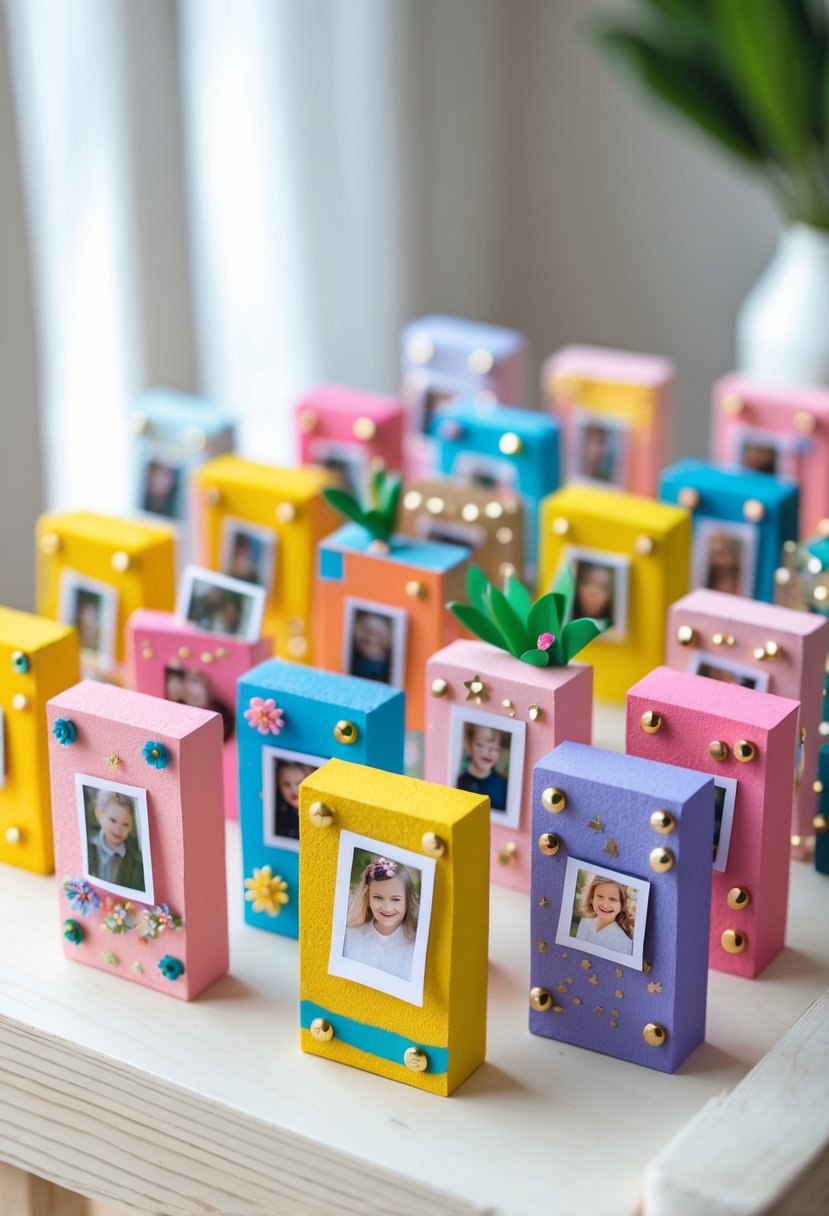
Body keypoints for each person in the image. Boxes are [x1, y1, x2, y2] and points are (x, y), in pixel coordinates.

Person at [343, 856, 419, 981]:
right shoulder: (350, 935)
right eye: (378, 897)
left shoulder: (415, 946)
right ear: (367, 897)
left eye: (395, 899)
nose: (387, 908)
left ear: (407, 901)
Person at [87, 789, 145, 892]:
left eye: (125, 824)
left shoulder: (136, 861)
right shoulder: (89, 845)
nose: (118, 830)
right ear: (100, 814)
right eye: (113, 820)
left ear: (131, 826)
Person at [575, 873, 634, 956]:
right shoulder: (584, 923)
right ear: (591, 898)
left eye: (613, 899)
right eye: (600, 896)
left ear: (622, 904)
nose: (605, 905)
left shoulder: (622, 943)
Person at [456, 723, 509, 811]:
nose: (486, 752)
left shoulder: (502, 784)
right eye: (480, 745)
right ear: (469, 744)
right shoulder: (461, 780)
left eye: (494, 748)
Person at [273, 760, 315, 841]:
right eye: (286, 784)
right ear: (278, 785)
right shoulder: (276, 810)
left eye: (299, 783)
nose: (294, 790)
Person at [350, 611, 393, 682]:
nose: (372, 639)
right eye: (366, 641)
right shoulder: (357, 661)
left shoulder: (388, 665)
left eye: (378, 635)